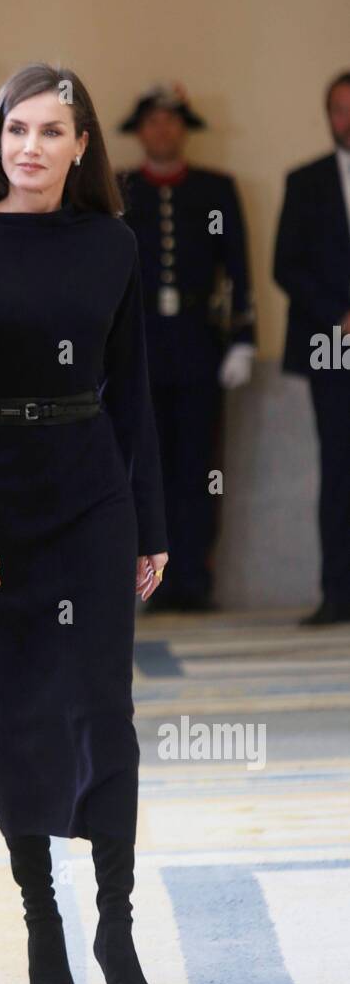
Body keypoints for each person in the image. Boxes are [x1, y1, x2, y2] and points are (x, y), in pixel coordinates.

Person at [0, 63, 169, 984]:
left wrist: (150, 523)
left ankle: (115, 921)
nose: (31, 147)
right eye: (17, 130)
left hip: (91, 494)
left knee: (100, 709)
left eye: (51, 132)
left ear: (83, 147)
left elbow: (135, 394)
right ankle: (42, 916)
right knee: (15, 714)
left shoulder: (112, 243)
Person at [116, 85, 256, 610]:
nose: (162, 130)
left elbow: (239, 267)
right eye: (153, 121)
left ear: (183, 128)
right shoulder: (122, 188)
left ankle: (196, 578)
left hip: (200, 343)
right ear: (141, 129)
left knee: (200, 468)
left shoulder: (215, 189)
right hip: (142, 346)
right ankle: (154, 582)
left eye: (171, 121)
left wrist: (243, 339)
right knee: (147, 468)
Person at [274, 70, 350, 625]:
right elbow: (286, 265)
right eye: (339, 109)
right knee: (339, 468)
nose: (346, 119)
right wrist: (340, 317)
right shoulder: (306, 181)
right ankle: (338, 593)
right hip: (333, 346)